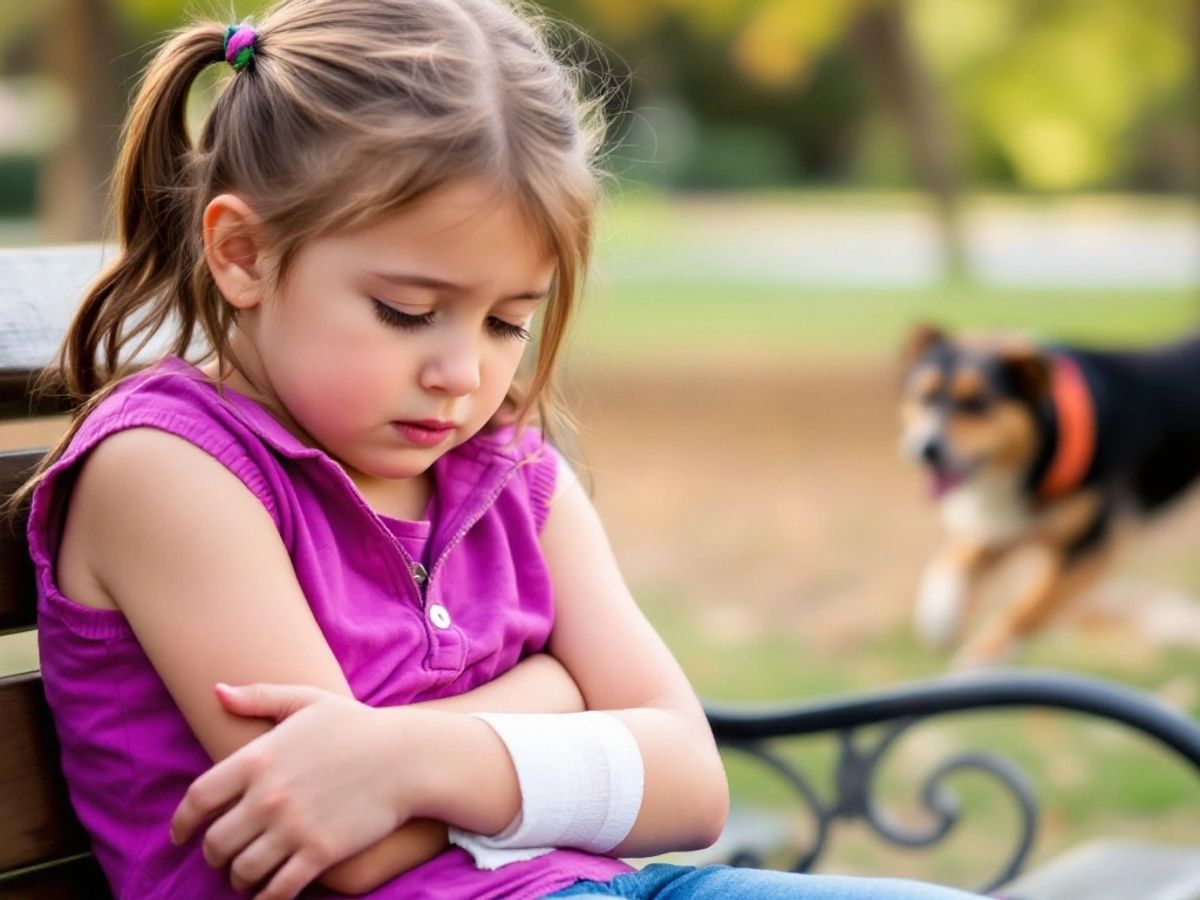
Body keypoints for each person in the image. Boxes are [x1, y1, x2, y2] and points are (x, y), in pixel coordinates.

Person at [19, 1, 984, 898]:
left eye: (507, 322)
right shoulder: (169, 471)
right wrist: (559, 695)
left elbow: (691, 785)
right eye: (408, 312)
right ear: (243, 254)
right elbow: (342, 842)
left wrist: (409, 761)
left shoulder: (509, 471)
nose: (462, 374)